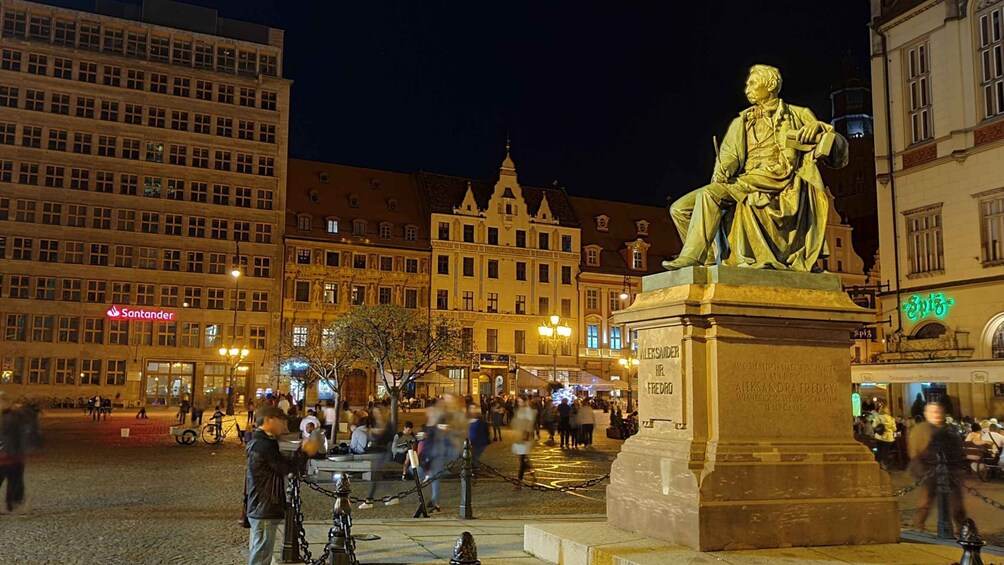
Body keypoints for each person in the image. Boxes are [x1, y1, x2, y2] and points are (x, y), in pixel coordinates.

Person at [664, 64, 847, 271]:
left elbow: (838, 156)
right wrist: (722, 170)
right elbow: (729, 157)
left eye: (751, 84)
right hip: (746, 179)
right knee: (679, 209)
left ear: (769, 85)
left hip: (779, 178)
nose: (746, 89)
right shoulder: (742, 121)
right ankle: (704, 260)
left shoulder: (798, 114)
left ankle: (691, 258)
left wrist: (821, 128)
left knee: (708, 196)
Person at [245, 406, 321, 565]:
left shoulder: (261, 442)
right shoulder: (263, 445)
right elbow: (285, 468)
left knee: (262, 551)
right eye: (281, 421)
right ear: (268, 420)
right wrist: (305, 452)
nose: (284, 425)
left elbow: (280, 464)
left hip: (260, 504)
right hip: (264, 505)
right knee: (261, 554)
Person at [907, 402, 968, 534]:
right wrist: (923, 470)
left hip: (950, 471)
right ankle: (918, 526)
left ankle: (961, 528)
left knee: (956, 504)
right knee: (925, 503)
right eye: (932, 412)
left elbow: (956, 450)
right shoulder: (921, 430)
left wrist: (958, 467)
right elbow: (915, 452)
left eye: (938, 412)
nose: (936, 415)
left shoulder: (949, 430)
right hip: (929, 470)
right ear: (926, 414)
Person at [511, 398, 537, 490]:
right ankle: (532, 473)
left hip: (524, 438)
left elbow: (528, 424)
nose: (520, 403)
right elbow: (515, 423)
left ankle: (519, 482)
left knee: (523, 460)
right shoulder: (519, 411)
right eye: (518, 402)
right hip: (518, 438)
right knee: (523, 459)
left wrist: (523, 435)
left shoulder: (528, 411)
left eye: (521, 401)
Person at [873, 406, 896, 470]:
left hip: (879, 437)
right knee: (885, 451)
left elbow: (874, 425)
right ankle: (884, 463)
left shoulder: (878, 417)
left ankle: (879, 463)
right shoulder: (891, 418)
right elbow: (894, 429)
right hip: (888, 438)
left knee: (879, 450)